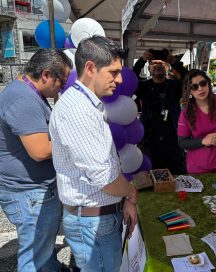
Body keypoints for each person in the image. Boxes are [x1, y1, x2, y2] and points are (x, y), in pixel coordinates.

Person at [49, 36, 138, 271]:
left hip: (96, 217)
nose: (119, 80)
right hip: (92, 220)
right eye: (113, 72)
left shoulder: (85, 104)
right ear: (90, 68)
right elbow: (104, 178)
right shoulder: (78, 110)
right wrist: (130, 193)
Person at [0, 49, 72, 271]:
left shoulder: (24, 92)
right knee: (33, 257)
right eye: (62, 81)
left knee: (42, 247)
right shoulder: (23, 98)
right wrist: (74, 140)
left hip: (31, 190)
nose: (63, 87)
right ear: (46, 74)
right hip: (29, 193)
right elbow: (40, 151)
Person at [133, 49, 187, 174]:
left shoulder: (174, 86)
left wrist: (175, 62)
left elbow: (189, 78)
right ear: (149, 68)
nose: (158, 65)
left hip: (173, 139)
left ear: (167, 67)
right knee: (151, 176)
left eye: (162, 63)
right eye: (153, 63)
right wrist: (141, 61)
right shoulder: (144, 87)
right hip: (150, 140)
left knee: (178, 175)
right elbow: (130, 80)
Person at [177, 69, 216, 174]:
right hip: (197, 166)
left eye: (203, 83)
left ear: (208, 83)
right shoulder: (186, 112)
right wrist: (203, 141)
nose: (200, 89)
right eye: (194, 86)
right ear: (189, 90)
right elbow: (182, 142)